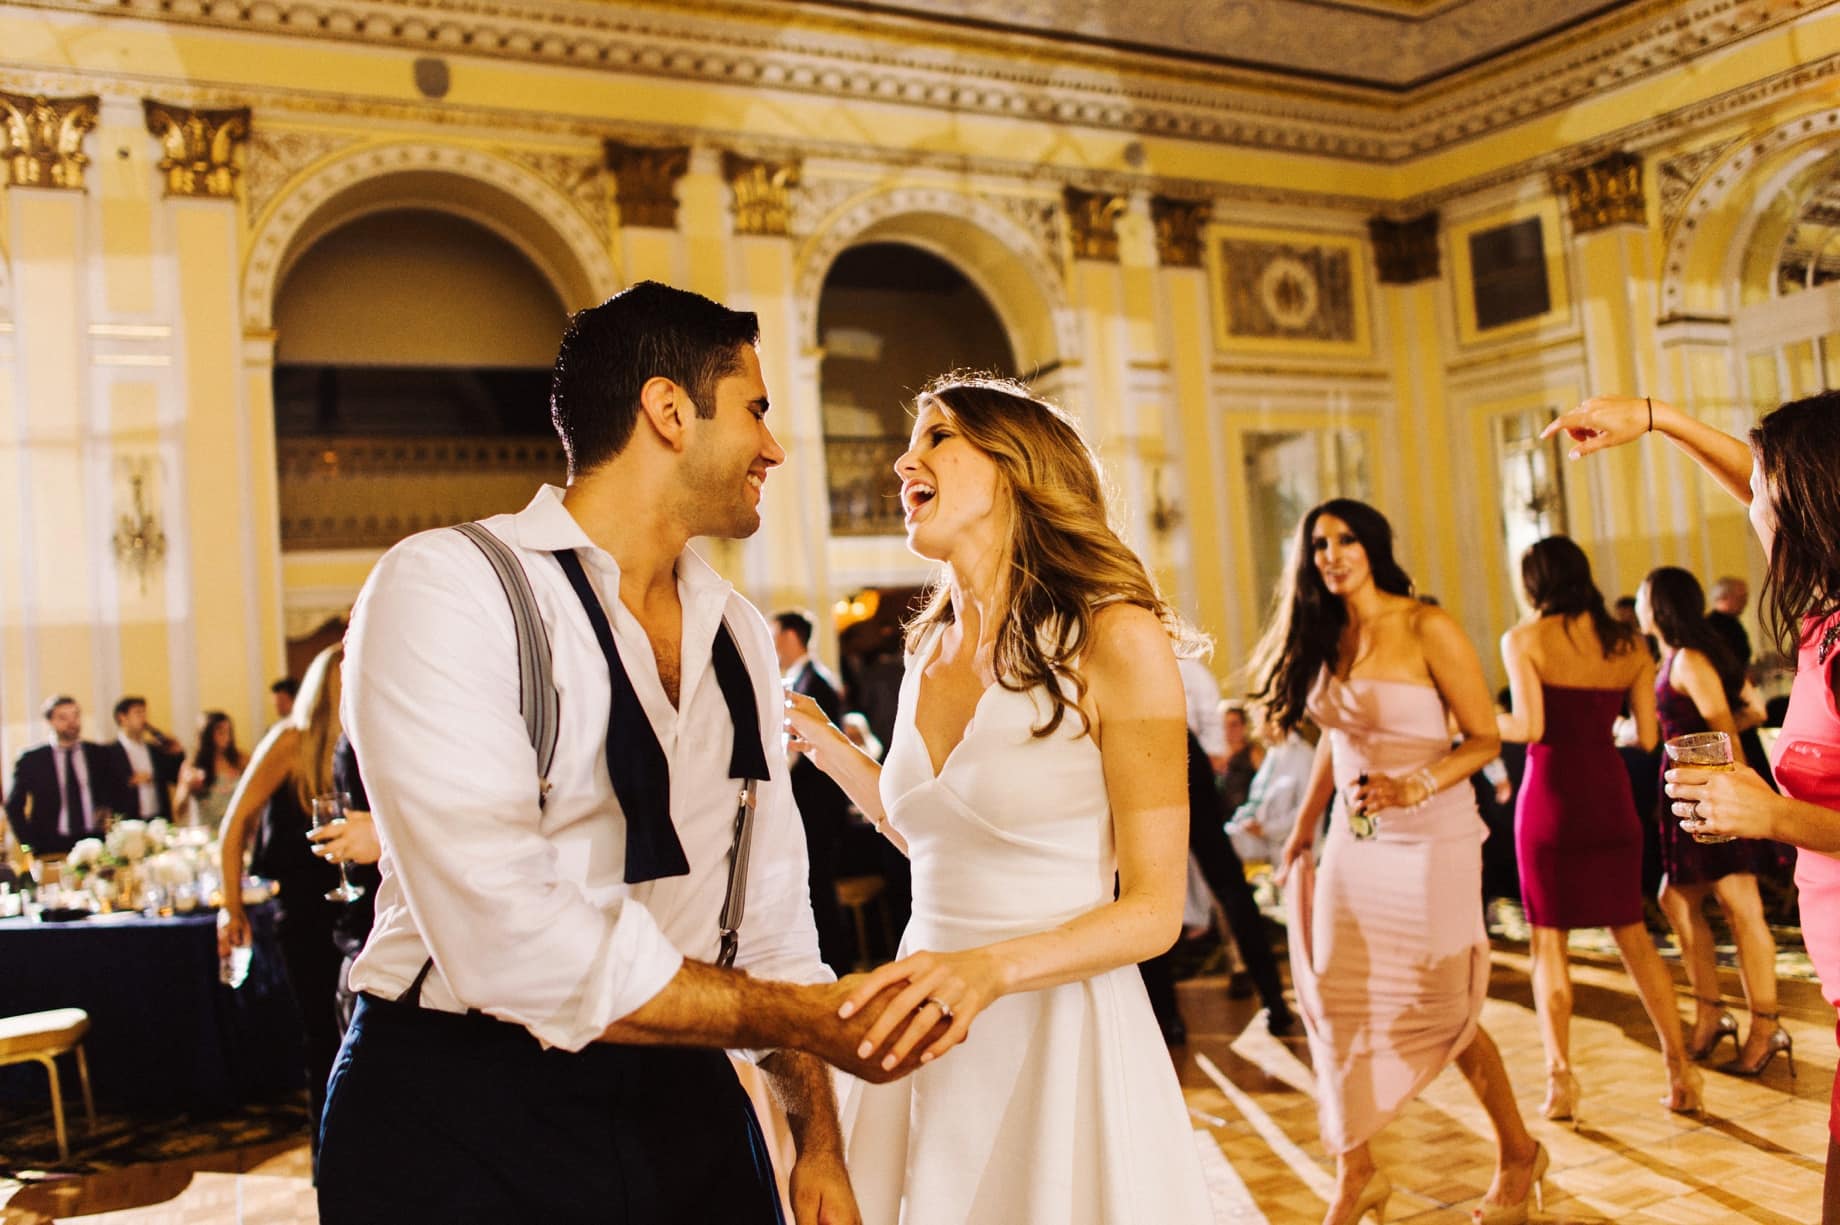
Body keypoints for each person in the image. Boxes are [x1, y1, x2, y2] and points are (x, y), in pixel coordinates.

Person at [319, 282, 935, 1225]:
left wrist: (818, 1142)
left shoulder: (734, 632)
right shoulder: (450, 587)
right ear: (669, 411)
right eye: (757, 410)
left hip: (684, 1098)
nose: (774, 447)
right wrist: (798, 1017)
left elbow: (769, 925)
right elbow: (503, 937)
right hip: (460, 1100)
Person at [784, 375, 1215, 1224]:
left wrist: (989, 969)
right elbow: (942, 841)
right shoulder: (927, 651)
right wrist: (830, 750)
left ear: (1017, 467)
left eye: (938, 435)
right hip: (930, 1024)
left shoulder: (1113, 636)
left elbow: (1156, 910)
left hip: (1059, 1024)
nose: (906, 457)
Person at [1546, 390, 1840, 1220]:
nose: (1756, 507)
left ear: (1818, 500)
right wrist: (1656, 418)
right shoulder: (1823, 623)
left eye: (1775, 493)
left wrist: (1774, 814)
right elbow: (1752, 483)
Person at [1253, 498, 1542, 1225]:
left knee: (1447, 1007)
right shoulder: (1326, 636)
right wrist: (1303, 827)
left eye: (1346, 539)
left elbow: (1481, 738)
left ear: (1373, 545)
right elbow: (1337, 737)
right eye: (1318, 544)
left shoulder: (1425, 625)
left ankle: (1517, 1152)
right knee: (1336, 1003)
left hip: (1433, 839)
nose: (1331, 554)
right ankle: (1358, 1174)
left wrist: (1412, 784)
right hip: (1356, 843)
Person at [1496, 537, 1696, 1124]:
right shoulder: (1628, 642)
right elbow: (1648, 736)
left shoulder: (1523, 639)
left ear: (1534, 582)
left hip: (1552, 799)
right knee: (1633, 934)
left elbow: (1530, 725)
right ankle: (1681, 1070)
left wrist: (1467, 718)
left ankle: (1561, 1083)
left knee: (1547, 942)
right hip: (1609, 797)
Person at [1637, 566, 1787, 1076]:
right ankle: (1713, 1012)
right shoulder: (1673, 657)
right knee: (1679, 898)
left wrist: (1733, 796)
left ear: (1658, 605)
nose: (1636, 604)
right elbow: (1743, 712)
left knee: (1739, 905)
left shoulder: (1689, 659)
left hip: (1710, 789)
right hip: (1690, 788)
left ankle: (1763, 1024)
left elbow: (1725, 726)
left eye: (1642, 596)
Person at [217, 645, 348, 1157]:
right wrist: (230, 906)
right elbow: (233, 829)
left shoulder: (361, 744)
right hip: (304, 915)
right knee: (322, 1040)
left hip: (359, 912)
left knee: (361, 1039)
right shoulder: (290, 742)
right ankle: (328, 1160)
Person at [776, 608, 856, 973]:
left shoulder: (815, 682)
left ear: (792, 636)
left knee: (820, 888)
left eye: (774, 635)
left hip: (820, 807)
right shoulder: (802, 679)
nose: (771, 645)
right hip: (813, 805)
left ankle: (836, 967)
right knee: (815, 888)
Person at [4, 695, 131, 856]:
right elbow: (13, 806)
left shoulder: (99, 753)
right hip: (50, 845)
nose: (72, 722)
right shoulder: (31, 760)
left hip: (95, 841)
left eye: (76, 715)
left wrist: (109, 812)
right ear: (50, 721)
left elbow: (118, 791)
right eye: (63, 717)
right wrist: (27, 847)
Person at [1227, 712, 1316, 865]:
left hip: (1296, 858)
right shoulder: (1273, 754)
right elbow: (1259, 801)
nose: (1256, 725)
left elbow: (1308, 810)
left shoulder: (1303, 756)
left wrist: (1266, 829)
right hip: (1270, 855)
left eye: (1258, 717)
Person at [107, 696, 186, 821]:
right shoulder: (110, 752)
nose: (143, 717)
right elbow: (107, 787)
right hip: (129, 821)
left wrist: (177, 754)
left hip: (158, 819)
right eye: (138, 713)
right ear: (122, 717)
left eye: (144, 712)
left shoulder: (154, 750)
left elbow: (175, 777)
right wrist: (129, 781)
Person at [174, 711, 246, 828]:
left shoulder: (240, 760)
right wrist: (188, 788)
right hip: (206, 831)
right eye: (220, 732)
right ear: (206, 735)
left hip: (234, 829)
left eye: (228, 732)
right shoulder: (192, 765)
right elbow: (178, 810)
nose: (226, 737)